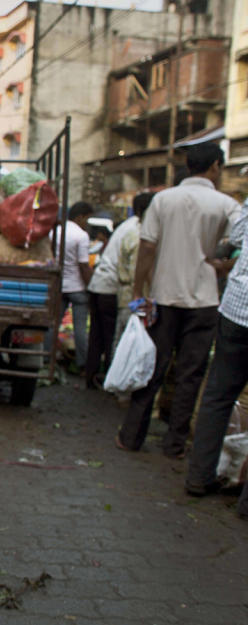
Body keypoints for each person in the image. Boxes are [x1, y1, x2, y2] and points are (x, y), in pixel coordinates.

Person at [116, 142, 241, 458]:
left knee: (152, 368)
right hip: (205, 301)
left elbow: (147, 247)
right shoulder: (227, 205)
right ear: (214, 166)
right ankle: (174, 443)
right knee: (190, 374)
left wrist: (138, 292)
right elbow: (237, 248)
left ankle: (132, 436)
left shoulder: (162, 200)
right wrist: (221, 265)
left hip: (164, 298)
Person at [183, 200, 248, 521]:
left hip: (238, 309)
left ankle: (198, 476)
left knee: (218, 396)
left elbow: (235, 239)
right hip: (236, 309)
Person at [84, 195, 153, 389]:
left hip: (99, 285)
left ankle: (93, 377)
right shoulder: (138, 231)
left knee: (97, 336)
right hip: (111, 288)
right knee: (112, 338)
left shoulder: (129, 225)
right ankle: (112, 380)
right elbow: (133, 270)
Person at [53, 202, 93, 374]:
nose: (87, 223)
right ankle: (81, 364)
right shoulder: (81, 236)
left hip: (59, 286)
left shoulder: (55, 232)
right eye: (87, 219)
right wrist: (91, 287)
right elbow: (84, 265)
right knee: (80, 328)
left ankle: (47, 360)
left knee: (53, 325)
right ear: (80, 217)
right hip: (77, 288)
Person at [113, 193, 155, 347]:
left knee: (122, 344)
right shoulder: (141, 237)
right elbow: (137, 272)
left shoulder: (132, 232)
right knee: (130, 347)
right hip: (135, 300)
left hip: (128, 297)